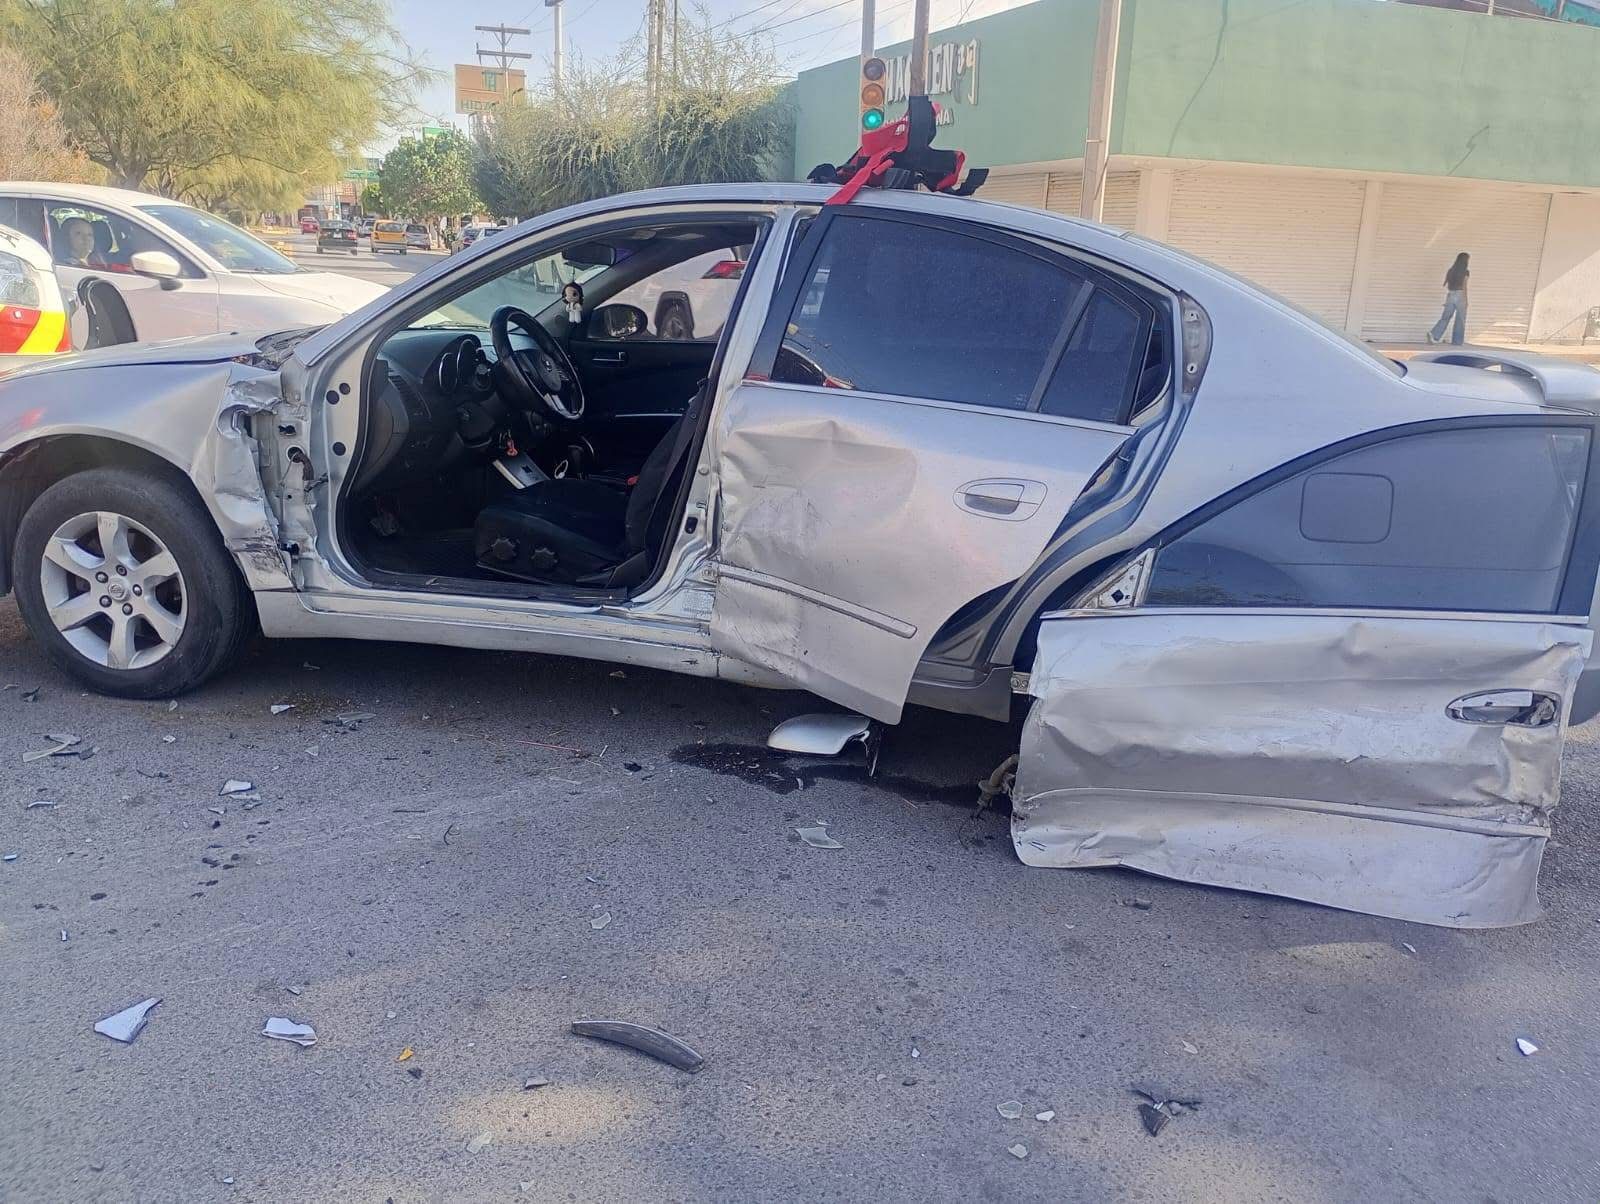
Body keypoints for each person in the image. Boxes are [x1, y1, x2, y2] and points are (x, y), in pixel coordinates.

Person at [1427, 251, 1470, 345]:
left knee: (1445, 317)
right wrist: (1466, 300)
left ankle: (1434, 334)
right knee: (1460, 319)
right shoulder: (1465, 271)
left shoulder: (1451, 270)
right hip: (1460, 294)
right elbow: (1464, 286)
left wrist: (1448, 299)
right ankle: (1457, 341)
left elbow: (1447, 285)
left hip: (1450, 294)